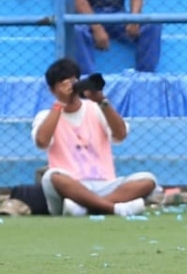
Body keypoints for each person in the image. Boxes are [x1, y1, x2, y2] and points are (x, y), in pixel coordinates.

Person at [33, 58, 158, 217]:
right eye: (63, 84)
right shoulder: (46, 115)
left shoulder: (96, 109)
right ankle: (113, 208)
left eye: (72, 82)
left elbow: (121, 135)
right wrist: (60, 103)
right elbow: (42, 142)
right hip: (71, 187)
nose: (70, 88)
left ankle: (85, 208)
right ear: (52, 90)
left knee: (148, 180)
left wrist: (102, 101)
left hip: (104, 184)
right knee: (52, 177)